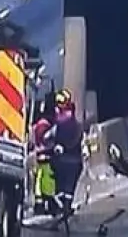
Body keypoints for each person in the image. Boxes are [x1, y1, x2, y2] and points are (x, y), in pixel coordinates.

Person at [45, 90, 84, 218]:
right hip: (70, 160)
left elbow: (49, 136)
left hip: (66, 159)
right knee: (66, 186)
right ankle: (64, 206)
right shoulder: (70, 124)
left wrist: (60, 147)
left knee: (64, 185)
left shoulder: (65, 123)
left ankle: (63, 206)